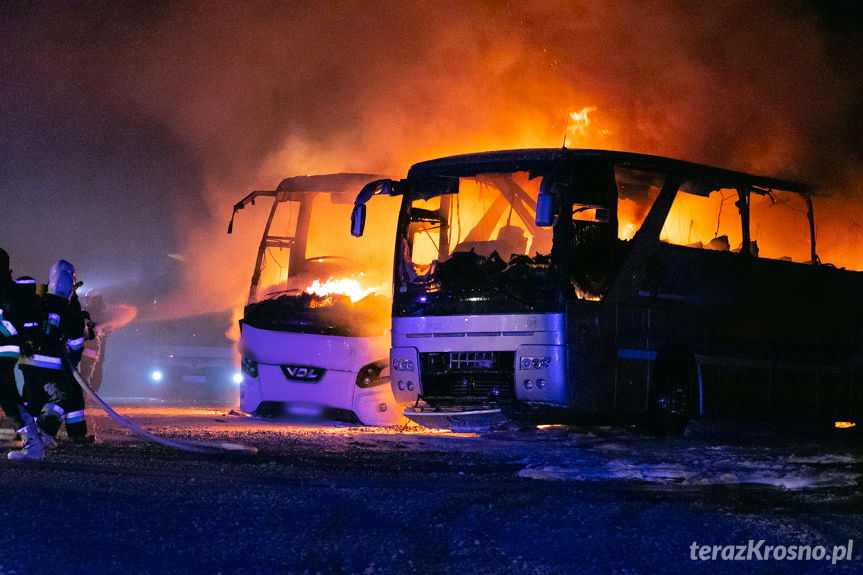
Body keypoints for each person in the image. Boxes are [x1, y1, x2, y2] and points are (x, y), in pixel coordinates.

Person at [9, 260, 87, 460]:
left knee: (34, 400)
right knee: (62, 398)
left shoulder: (39, 301)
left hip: (28, 363)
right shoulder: (69, 310)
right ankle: (43, 432)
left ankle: (29, 436)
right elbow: (76, 343)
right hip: (52, 365)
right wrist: (73, 360)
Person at [0, 248, 25, 434]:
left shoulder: (9, 291)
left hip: (4, 351)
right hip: (5, 351)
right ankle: (27, 429)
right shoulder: (8, 288)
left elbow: (13, 326)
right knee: (9, 395)